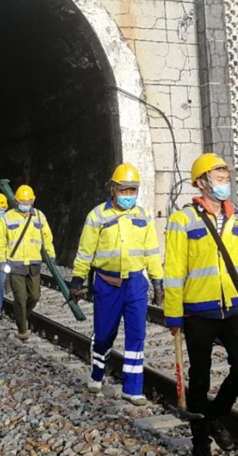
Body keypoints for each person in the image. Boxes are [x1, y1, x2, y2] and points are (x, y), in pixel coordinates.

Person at [163, 153, 238, 456]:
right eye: (219, 178)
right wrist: (174, 314)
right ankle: (200, 442)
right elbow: (174, 272)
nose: (224, 183)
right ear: (201, 183)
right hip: (198, 310)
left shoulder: (236, 217)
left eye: (226, 178)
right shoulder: (182, 220)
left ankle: (215, 416)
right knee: (199, 377)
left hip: (230, 309)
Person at [68, 163, 164, 405]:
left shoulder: (143, 216)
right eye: (124, 190)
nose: (128, 195)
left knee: (136, 335)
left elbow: (152, 251)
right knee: (104, 334)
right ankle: (97, 374)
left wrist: (157, 282)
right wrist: (77, 279)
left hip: (135, 284)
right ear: (113, 189)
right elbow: (85, 252)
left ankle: (132, 388)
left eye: (132, 190)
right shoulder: (97, 216)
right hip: (107, 283)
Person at [0, 184, 55, 341]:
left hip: (33, 264)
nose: (25, 204)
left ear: (33, 200)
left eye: (28, 201)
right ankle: (22, 329)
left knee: (34, 296)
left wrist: (51, 255)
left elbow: (47, 237)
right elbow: (0, 242)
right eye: (22, 201)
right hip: (15, 265)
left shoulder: (40, 216)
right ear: (16, 200)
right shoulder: (7, 217)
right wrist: (1, 261)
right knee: (20, 298)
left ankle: (21, 316)